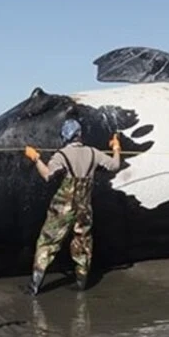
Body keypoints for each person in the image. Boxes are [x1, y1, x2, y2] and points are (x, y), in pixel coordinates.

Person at [22, 118, 121, 296]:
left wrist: (35, 157)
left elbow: (48, 176)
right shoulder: (94, 153)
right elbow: (115, 165)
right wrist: (116, 147)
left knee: (47, 242)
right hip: (84, 208)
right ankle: (81, 284)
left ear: (65, 136)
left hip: (62, 208)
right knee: (82, 244)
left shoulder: (61, 155)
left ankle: (34, 286)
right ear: (80, 135)